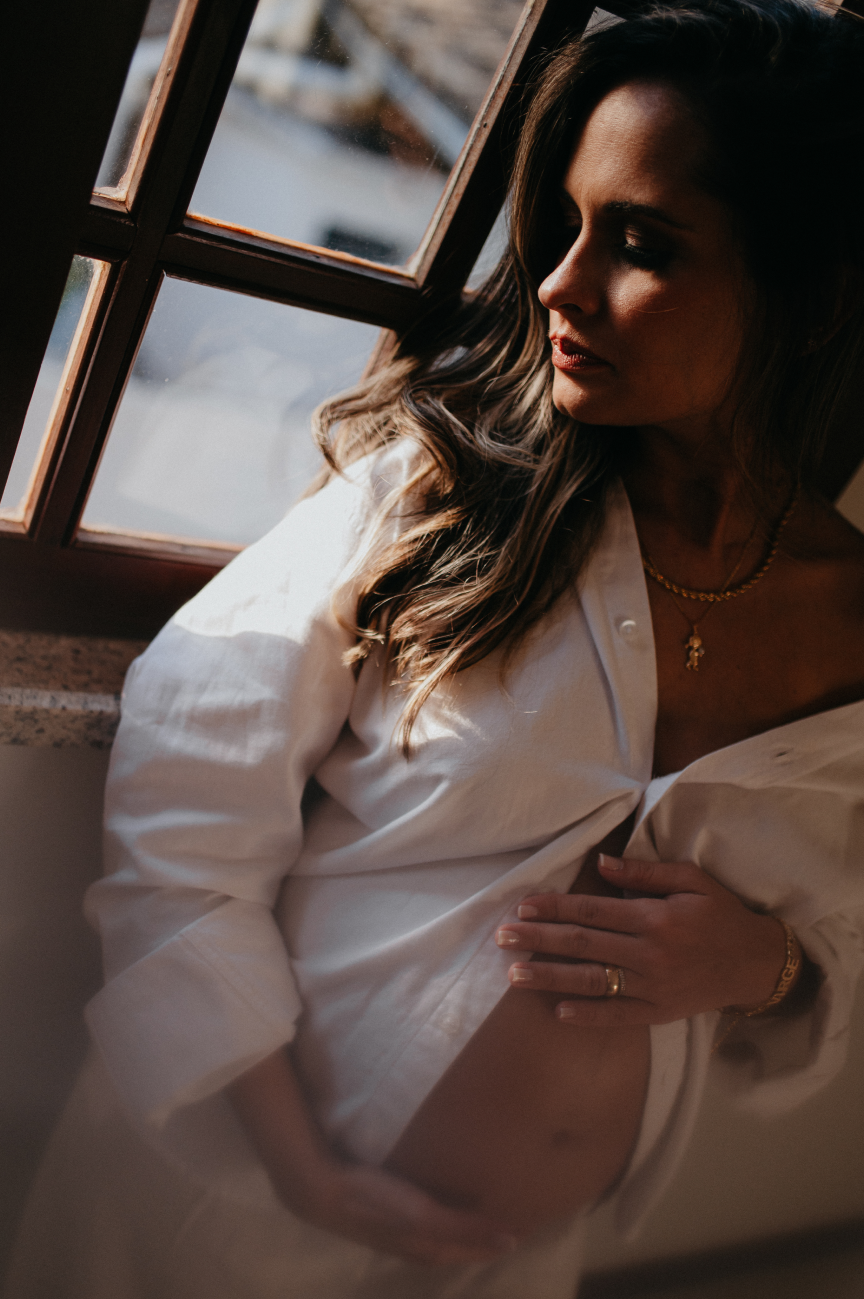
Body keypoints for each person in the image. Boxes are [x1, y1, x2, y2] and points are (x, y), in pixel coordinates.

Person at [8, 1, 864, 1296]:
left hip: (516, 1265)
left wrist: (767, 966)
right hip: (225, 1211)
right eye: (566, 224)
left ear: (817, 295)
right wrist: (300, 1164)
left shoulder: (852, 629)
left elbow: (831, 932)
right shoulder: (444, 491)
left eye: (642, 243)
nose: (560, 283)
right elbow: (189, 793)